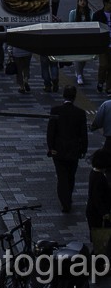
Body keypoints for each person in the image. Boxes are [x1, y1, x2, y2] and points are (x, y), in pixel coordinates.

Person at [47, 84, 88, 213]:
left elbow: (51, 131)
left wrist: (50, 147)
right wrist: (83, 149)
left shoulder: (55, 110)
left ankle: (65, 202)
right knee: (71, 175)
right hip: (74, 150)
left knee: (62, 176)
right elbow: (83, 134)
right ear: (74, 97)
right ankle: (68, 197)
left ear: (64, 95)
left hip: (58, 150)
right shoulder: (80, 113)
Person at [85, 146, 111, 258]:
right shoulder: (100, 178)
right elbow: (98, 198)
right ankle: (98, 262)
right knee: (100, 238)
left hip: (93, 212)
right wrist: (105, 213)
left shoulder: (94, 173)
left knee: (98, 238)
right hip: (97, 214)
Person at [67, 0, 94, 85]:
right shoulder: (73, 12)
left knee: (84, 58)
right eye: (81, 0)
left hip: (86, 39)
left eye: (84, 1)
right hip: (76, 38)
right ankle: (79, 75)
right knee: (77, 57)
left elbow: (92, 24)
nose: (82, 2)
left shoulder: (90, 13)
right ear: (78, 3)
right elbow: (70, 25)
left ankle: (79, 72)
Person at [93, 0, 111, 94]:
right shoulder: (98, 15)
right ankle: (100, 82)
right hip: (103, 44)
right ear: (105, 3)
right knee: (104, 65)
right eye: (110, 3)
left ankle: (108, 87)